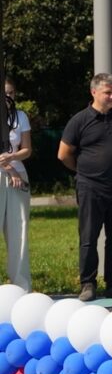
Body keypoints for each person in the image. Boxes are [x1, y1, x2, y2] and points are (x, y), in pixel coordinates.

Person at [58, 73, 112, 301]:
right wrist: (83, 173)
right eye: (107, 93)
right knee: (89, 237)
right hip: (90, 188)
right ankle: (88, 284)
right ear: (94, 92)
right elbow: (63, 154)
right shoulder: (80, 120)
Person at [0, 79, 32, 290]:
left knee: (18, 231)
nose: (8, 96)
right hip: (9, 174)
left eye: (11, 92)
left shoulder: (20, 116)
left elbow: (26, 149)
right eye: (5, 93)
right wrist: (9, 169)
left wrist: (11, 161)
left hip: (18, 178)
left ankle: (21, 286)